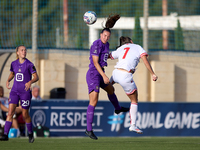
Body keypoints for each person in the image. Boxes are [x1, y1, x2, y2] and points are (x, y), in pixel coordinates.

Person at [85, 14, 129, 140]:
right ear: (100, 35)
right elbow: (95, 62)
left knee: (111, 90)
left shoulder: (107, 45)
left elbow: (105, 56)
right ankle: (88, 130)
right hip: (94, 74)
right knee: (93, 101)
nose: (106, 38)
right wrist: (104, 75)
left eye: (108, 36)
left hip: (100, 73)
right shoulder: (96, 44)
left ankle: (118, 108)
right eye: (104, 36)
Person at [109, 36, 158, 134]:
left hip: (115, 73)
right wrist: (153, 73)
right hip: (125, 75)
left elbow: (109, 56)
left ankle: (116, 107)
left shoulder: (120, 48)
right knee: (134, 100)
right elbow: (145, 61)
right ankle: (133, 125)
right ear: (131, 41)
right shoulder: (137, 47)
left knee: (107, 87)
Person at [0, 45, 39, 143]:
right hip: (14, 91)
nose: (24, 51)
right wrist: (8, 80)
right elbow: (12, 73)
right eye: (22, 50)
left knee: (25, 114)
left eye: (25, 50)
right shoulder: (13, 63)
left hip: (25, 92)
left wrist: (30, 82)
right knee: (10, 112)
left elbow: (36, 77)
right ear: (17, 52)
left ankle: (30, 133)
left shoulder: (29, 64)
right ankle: (5, 135)